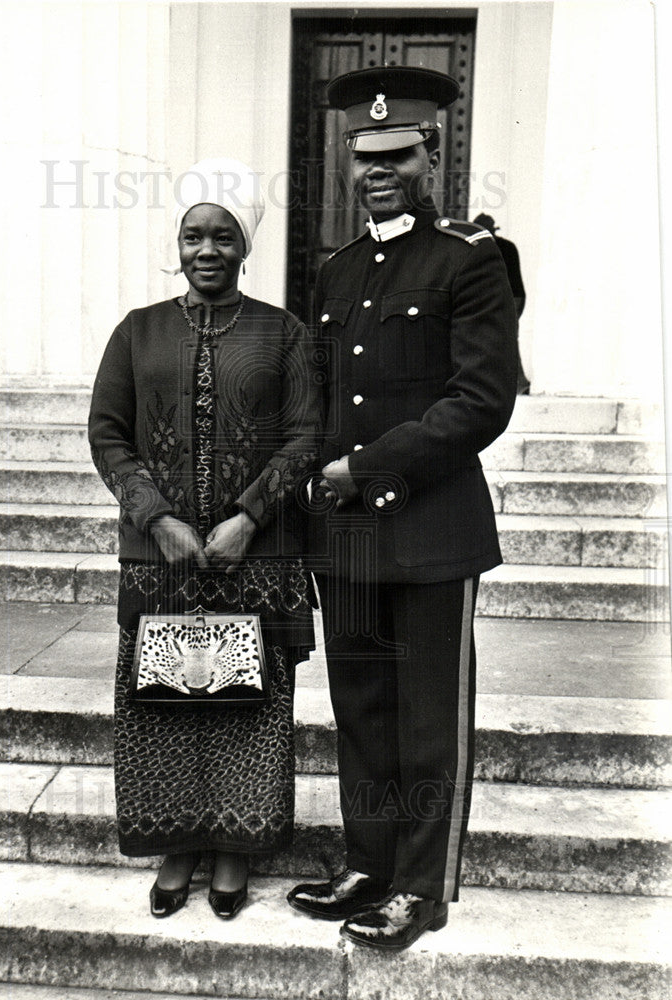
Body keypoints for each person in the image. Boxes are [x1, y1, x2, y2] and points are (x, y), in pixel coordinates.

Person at [287, 67, 517, 951]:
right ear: (348, 162)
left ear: (431, 157)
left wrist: (363, 468)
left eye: (397, 152)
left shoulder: (470, 260)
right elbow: (315, 396)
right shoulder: (337, 272)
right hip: (344, 539)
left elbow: (479, 402)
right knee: (362, 711)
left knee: (427, 717)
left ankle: (421, 888)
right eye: (363, 153)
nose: (378, 167)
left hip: (430, 529)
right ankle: (369, 865)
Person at [89, 158, 320, 921]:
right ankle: (177, 844)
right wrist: (158, 518)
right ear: (177, 244)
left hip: (259, 556)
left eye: (224, 236)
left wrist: (250, 514)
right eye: (194, 235)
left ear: (244, 248)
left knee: (247, 704)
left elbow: (304, 434)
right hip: (159, 558)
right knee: (164, 699)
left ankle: (233, 850)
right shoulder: (137, 331)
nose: (208, 249)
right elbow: (108, 435)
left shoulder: (282, 333)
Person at [473, 212, 530, 394]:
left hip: (507, 298)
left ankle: (519, 384)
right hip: (515, 297)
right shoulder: (507, 246)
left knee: (505, 339)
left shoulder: (490, 248)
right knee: (505, 338)